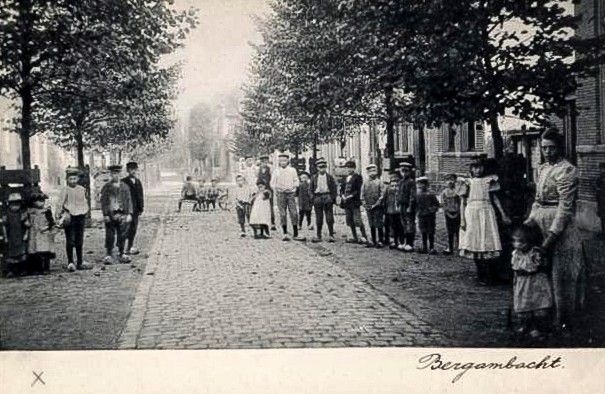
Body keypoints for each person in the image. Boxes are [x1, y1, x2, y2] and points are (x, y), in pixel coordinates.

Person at [524, 129, 584, 334]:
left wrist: (552, 236)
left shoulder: (567, 170)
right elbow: (538, 200)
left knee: (561, 275)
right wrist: (530, 221)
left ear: (560, 147)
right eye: (544, 148)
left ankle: (564, 321)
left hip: (560, 227)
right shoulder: (542, 169)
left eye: (552, 148)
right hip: (540, 221)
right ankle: (542, 317)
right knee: (540, 273)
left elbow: (565, 208)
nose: (548, 152)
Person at [459, 157, 511, 285]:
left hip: (486, 211)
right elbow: (463, 202)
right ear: (471, 169)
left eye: (480, 167)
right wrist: (462, 220)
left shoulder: (489, 181)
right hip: (472, 212)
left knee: (487, 241)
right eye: (475, 167)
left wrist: (503, 214)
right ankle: (480, 273)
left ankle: (489, 275)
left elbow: (495, 199)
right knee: (474, 242)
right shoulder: (467, 182)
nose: (477, 170)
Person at [510, 224, 553, 340]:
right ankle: (526, 326)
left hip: (535, 283)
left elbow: (536, 267)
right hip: (522, 284)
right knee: (524, 305)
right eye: (515, 241)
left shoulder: (535, 253)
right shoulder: (516, 253)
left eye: (521, 242)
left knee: (537, 304)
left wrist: (529, 270)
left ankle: (537, 328)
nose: (517, 244)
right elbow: (515, 267)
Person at [56, 167, 91, 271]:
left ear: (78, 179)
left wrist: (85, 211)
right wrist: (58, 216)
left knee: (79, 240)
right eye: (70, 179)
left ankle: (80, 261)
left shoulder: (81, 189)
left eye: (75, 179)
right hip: (70, 216)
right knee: (70, 240)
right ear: (67, 179)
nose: (73, 181)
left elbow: (84, 201)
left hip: (80, 216)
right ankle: (70, 262)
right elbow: (59, 203)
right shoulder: (65, 190)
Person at [100, 165, 133, 265]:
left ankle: (121, 252)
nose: (116, 176)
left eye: (118, 173)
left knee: (122, 233)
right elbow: (104, 201)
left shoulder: (125, 187)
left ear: (121, 174)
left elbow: (129, 200)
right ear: (110, 174)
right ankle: (109, 253)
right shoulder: (107, 187)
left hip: (122, 213)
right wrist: (105, 214)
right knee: (110, 234)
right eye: (114, 174)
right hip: (111, 214)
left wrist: (129, 213)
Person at [270, 153, 303, 241]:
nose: (283, 162)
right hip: (281, 194)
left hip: (290, 194)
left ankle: (296, 233)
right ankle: (284, 233)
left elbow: (296, 181)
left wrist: (293, 188)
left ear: (288, 161)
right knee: (283, 214)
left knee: (294, 213)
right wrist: (277, 189)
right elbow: (272, 183)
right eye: (281, 161)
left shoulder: (292, 170)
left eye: (284, 160)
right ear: (279, 162)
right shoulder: (276, 171)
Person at [1, 193, 30, 276]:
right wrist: (5, 237)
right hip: (11, 237)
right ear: (9, 205)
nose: (15, 207)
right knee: (11, 254)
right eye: (13, 205)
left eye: (17, 204)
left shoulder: (22, 214)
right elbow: (4, 226)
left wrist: (26, 234)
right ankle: (11, 271)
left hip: (20, 236)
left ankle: (22, 270)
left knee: (22, 253)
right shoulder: (7, 215)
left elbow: (27, 225)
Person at [309, 157, 337, 243]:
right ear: (317, 168)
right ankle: (318, 235)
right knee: (319, 217)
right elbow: (310, 189)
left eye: (323, 167)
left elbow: (334, 188)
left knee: (329, 217)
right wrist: (312, 198)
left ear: (326, 167)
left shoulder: (330, 177)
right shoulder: (314, 177)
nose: (322, 169)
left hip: (327, 196)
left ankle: (331, 235)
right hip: (317, 197)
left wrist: (332, 198)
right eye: (320, 167)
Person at [27, 191, 56, 272]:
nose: (40, 203)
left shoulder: (46, 211)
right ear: (33, 202)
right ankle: (38, 268)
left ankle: (46, 267)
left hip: (44, 233)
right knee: (35, 250)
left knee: (46, 250)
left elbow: (51, 222)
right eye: (38, 201)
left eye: (42, 201)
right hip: (34, 233)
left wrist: (47, 227)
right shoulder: (31, 212)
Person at [340, 160, 368, 244]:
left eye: (350, 167)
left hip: (354, 201)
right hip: (346, 202)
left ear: (354, 168)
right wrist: (342, 196)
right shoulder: (344, 178)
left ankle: (364, 236)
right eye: (347, 168)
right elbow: (341, 189)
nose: (349, 169)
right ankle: (354, 236)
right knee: (349, 220)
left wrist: (349, 196)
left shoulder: (358, 177)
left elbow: (358, 190)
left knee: (357, 220)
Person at [122, 161, 144, 255]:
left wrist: (141, 207)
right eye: (131, 170)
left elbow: (140, 195)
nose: (133, 171)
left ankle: (129, 247)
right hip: (127, 209)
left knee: (133, 229)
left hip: (136, 209)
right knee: (125, 228)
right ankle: (122, 248)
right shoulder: (124, 181)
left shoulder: (138, 181)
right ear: (128, 170)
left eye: (135, 169)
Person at [362, 164, 385, 248]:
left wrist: (376, 204)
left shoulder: (379, 182)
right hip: (368, 207)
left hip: (377, 207)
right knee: (371, 224)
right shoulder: (365, 183)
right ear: (367, 173)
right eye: (370, 171)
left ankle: (381, 241)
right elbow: (362, 194)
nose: (372, 173)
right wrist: (364, 203)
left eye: (373, 171)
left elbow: (382, 195)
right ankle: (373, 240)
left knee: (378, 223)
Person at [415, 177, 440, 254]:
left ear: (426, 185)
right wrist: (417, 211)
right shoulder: (417, 194)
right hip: (421, 215)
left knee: (431, 231)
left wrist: (432, 210)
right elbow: (415, 205)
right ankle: (424, 247)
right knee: (423, 231)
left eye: (422, 184)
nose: (420, 186)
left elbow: (436, 204)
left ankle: (432, 247)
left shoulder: (431, 194)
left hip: (430, 216)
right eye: (419, 184)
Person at [440, 173, 461, 255]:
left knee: (458, 231)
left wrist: (458, 212)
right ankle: (450, 247)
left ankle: (459, 247)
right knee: (450, 231)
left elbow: (461, 203)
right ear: (445, 182)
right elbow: (443, 204)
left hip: (458, 213)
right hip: (448, 213)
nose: (450, 182)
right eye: (448, 180)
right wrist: (447, 213)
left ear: (455, 181)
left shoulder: (458, 191)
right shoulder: (444, 193)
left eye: (452, 179)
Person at [397, 162, 416, 251]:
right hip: (401, 205)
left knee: (410, 225)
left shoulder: (411, 182)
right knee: (403, 224)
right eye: (402, 171)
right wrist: (397, 204)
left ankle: (410, 243)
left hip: (408, 206)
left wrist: (410, 206)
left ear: (409, 172)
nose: (404, 173)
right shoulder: (400, 182)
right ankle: (403, 242)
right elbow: (398, 194)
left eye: (406, 171)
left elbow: (412, 196)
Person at [384, 171, 403, 249]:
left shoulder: (401, 188)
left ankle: (401, 242)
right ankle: (394, 241)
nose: (393, 180)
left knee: (400, 226)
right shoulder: (388, 188)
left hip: (399, 210)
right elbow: (385, 198)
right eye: (392, 179)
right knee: (392, 226)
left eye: (395, 178)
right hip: (390, 210)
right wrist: (385, 209)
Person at [257, 155, 276, 230]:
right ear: (261, 162)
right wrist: (259, 187)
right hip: (261, 189)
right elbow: (258, 179)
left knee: (270, 205)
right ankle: (263, 222)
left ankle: (272, 222)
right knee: (261, 205)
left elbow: (273, 179)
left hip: (269, 189)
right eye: (263, 162)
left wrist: (271, 187)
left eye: (266, 161)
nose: (264, 163)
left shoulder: (270, 169)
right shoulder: (258, 170)